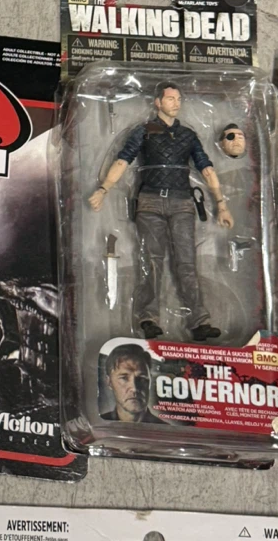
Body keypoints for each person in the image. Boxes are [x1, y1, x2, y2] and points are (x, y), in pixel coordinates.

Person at [89, 82, 232, 342]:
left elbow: (206, 168)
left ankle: (200, 321)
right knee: (151, 261)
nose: (176, 103)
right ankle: (148, 318)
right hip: (150, 202)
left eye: (179, 99)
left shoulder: (188, 135)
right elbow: (123, 160)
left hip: (182, 202)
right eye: (170, 99)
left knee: (187, 263)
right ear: (157, 102)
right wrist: (103, 189)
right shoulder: (144, 131)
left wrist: (221, 204)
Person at [100, 343, 159, 424]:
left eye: (142, 378)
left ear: (150, 380)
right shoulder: (98, 424)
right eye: (124, 378)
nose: (134, 388)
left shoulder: (166, 429)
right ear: (109, 382)